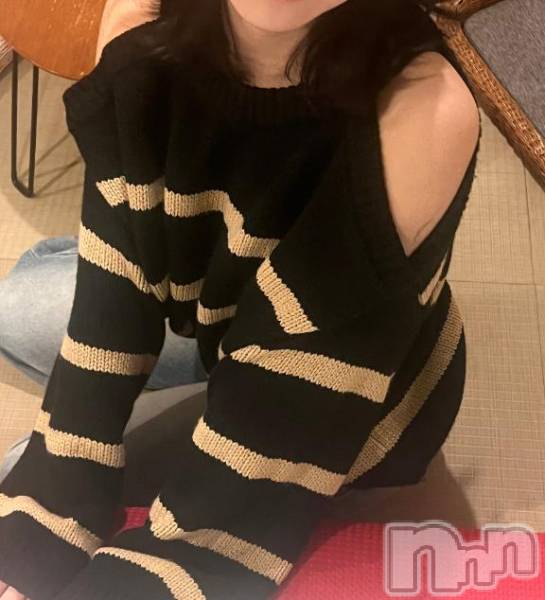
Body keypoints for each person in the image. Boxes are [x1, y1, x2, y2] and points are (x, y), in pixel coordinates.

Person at [0, 0, 481, 598]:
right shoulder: (139, 28)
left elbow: (227, 515)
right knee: (15, 314)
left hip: (351, 406)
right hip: (217, 317)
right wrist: (53, 491)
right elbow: (114, 286)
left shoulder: (423, 110)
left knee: (16, 465)